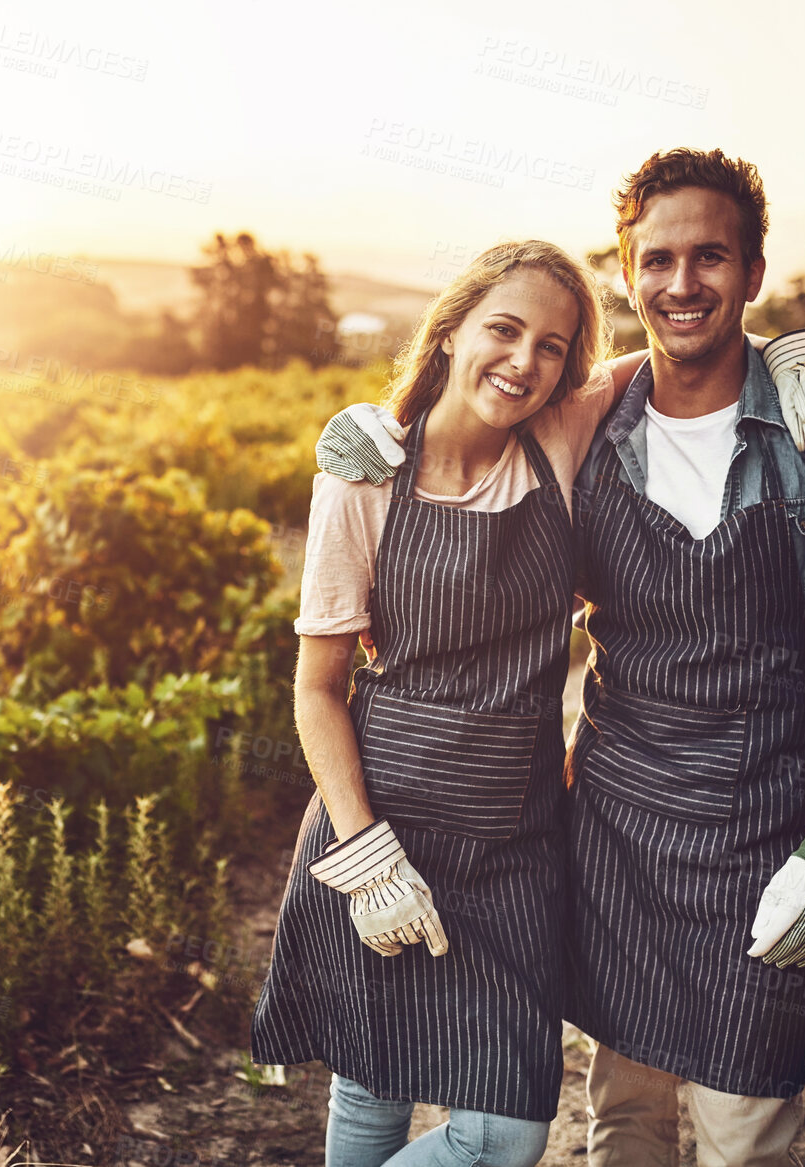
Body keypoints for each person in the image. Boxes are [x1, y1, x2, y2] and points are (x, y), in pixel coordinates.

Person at [313, 147, 805, 1167]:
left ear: (752, 273)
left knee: (742, 1125)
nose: (682, 285)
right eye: (658, 260)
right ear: (630, 273)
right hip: (609, 826)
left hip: (757, 827)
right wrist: (374, 425)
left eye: (711, 258)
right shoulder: (586, 418)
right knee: (623, 1118)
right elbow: (470, 419)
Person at [251, 240, 611, 1167]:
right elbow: (318, 687)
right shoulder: (365, 471)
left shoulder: (563, 439)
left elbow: (689, 348)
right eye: (504, 328)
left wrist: (796, 361)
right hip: (383, 824)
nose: (526, 361)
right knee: (372, 1079)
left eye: (554, 346)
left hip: (514, 837)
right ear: (450, 331)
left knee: (507, 1131)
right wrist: (368, 856)